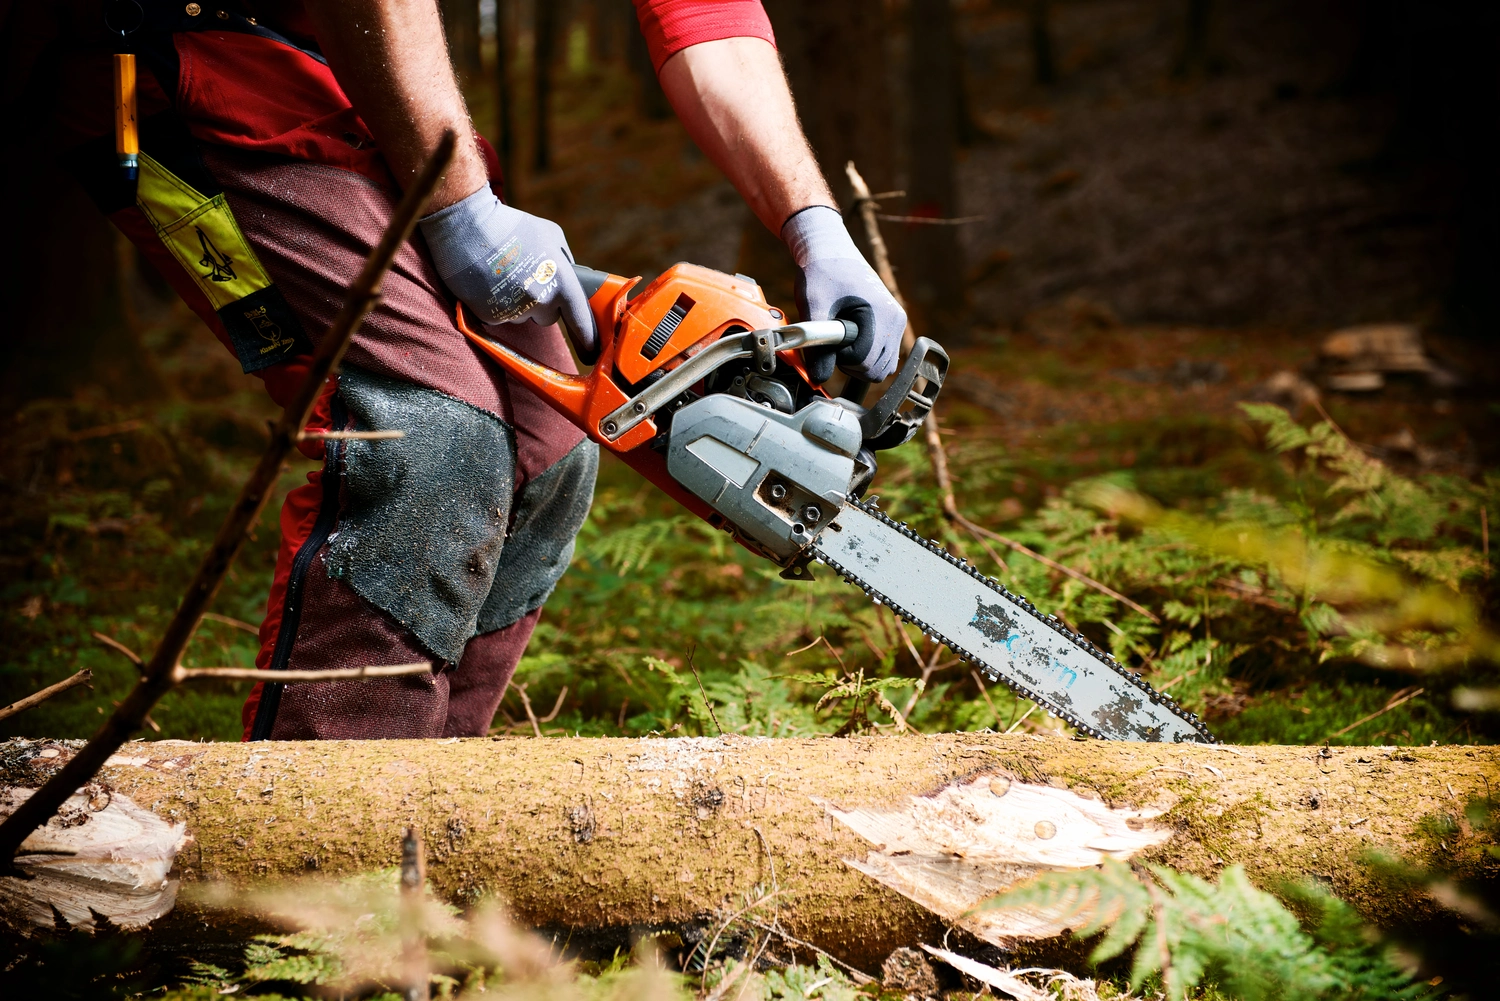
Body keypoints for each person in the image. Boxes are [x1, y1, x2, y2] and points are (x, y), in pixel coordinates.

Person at [44, 0, 906, 740]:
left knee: (550, 450)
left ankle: (438, 839)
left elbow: (704, 18)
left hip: (330, 77)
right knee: (429, 435)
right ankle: (324, 887)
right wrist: (457, 205)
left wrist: (813, 225)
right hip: (178, 70)